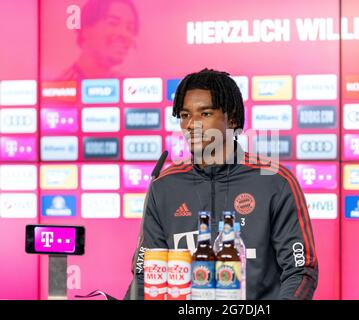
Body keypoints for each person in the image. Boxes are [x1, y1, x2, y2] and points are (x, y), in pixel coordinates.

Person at [125, 68, 318, 300]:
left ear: (232, 119)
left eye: (205, 114)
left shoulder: (275, 181)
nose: (191, 125)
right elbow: (144, 275)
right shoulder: (164, 186)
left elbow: (300, 271)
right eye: (185, 115)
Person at [59, 0, 139, 80]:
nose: (124, 34)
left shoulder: (129, 85)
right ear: (86, 30)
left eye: (130, 28)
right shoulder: (61, 86)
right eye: (112, 23)